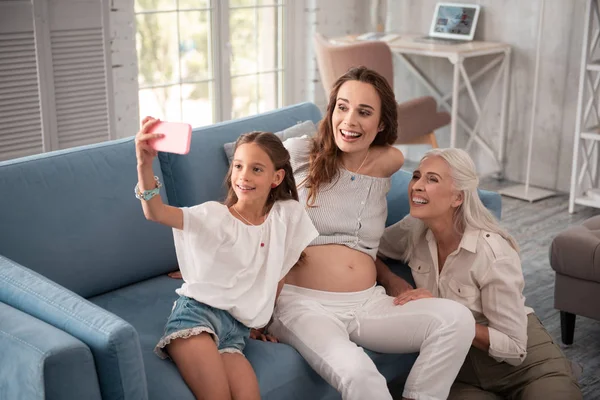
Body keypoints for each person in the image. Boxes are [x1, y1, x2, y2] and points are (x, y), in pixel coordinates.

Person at [267, 66, 476, 400]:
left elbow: (359, 243)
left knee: (456, 320)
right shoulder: (298, 152)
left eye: (364, 112)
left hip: (367, 302)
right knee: (363, 377)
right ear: (332, 110)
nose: (350, 120)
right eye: (343, 107)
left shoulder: (386, 162)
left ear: (381, 124)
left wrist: (389, 280)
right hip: (304, 304)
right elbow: (245, 207)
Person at [377, 148, 583, 400]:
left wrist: (443, 311)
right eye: (417, 176)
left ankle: (561, 373)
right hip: (460, 371)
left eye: (432, 179)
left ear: (457, 198)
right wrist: (391, 280)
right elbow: (367, 250)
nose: (417, 186)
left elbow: (514, 347)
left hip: (526, 365)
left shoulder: (493, 251)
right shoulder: (413, 227)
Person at [134, 120, 318, 400]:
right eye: (239, 166)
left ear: (276, 178)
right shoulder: (214, 216)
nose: (244, 176)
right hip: (196, 317)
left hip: (235, 332)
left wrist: (260, 323)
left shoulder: (286, 215)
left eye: (256, 169)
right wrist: (144, 165)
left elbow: (277, 272)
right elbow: (155, 212)